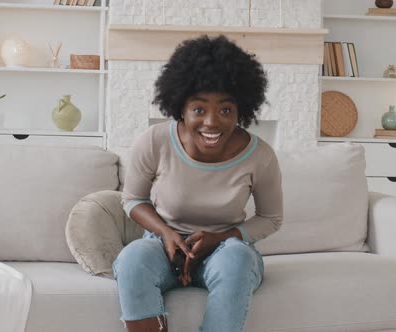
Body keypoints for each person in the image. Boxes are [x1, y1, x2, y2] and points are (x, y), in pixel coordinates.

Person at [113, 34, 283, 332]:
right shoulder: (154, 141)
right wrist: (166, 233)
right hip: (162, 246)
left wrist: (220, 238)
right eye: (199, 109)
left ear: (241, 110)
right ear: (181, 108)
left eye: (225, 110)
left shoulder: (261, 156)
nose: (212, 122)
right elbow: (133, 200)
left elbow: (271, 218)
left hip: (226, 250)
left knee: (237, 259)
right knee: (132, 258)